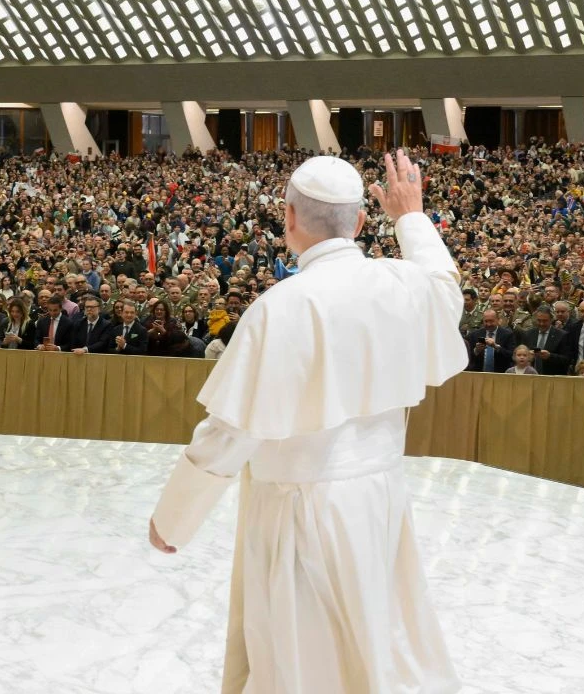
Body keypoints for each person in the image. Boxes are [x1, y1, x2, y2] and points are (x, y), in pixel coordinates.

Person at [149, 151, 459, 693]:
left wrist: (174, 519)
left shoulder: (280, 306)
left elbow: (231, 430)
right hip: (379, 498)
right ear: (362, 222)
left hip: (301, 508)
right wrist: (410, 214)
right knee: (374, 644)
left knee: (301, 660)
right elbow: (445, 284)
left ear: (287, 218)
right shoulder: (403, 284)